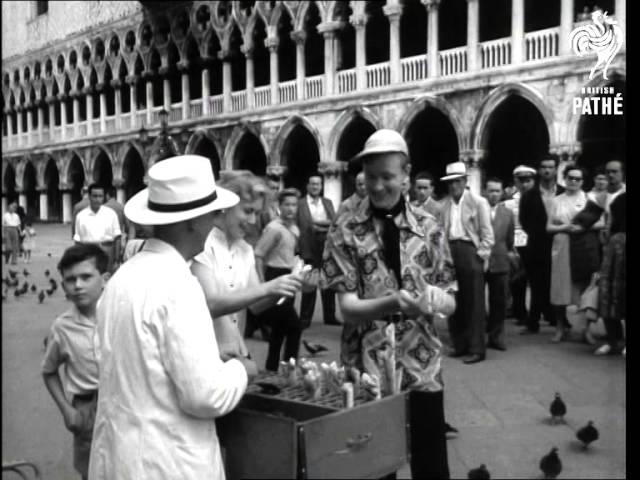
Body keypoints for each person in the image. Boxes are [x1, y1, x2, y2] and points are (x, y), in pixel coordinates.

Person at [89, 155, 257, 479]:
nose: (214, 222)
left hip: (116, 457)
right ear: (193, 220)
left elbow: (130, 363)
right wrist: (240, 370)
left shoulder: (121, 279)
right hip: (167, 462)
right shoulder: (179, 285)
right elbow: (205, 396)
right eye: (211, 214)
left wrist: (210, 359)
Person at [321, 129, 457, 479]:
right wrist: (392, 303)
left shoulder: (429, 227)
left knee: (431, 463)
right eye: (371, 177)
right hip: (366, 365)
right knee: (375, 466)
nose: (378, 186)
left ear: (406, 176)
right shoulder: (346, 226)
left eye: (388, 177)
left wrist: (439, 301)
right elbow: (346, 308)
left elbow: (450, 298)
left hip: (422, 362)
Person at [191, 172, 304, 360]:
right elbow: (211, 304)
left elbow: (255, 306)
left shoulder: (245, 249)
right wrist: (269, 287)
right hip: (202, 355)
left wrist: (285, 286)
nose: (253, 221)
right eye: (248, 211)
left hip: (236, 353)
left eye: (257, 214)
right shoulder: (201, 245)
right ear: (226, 206)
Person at [42, 244, 110, 480]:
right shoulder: (62, 328)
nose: (78, 285)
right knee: (90, 471)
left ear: (105, 279)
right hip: (86, 409)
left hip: (123, 402)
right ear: (63, 287)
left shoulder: (120, 314)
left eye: (86, 277)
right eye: (71, 280)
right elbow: (49, 372)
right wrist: (66, 410)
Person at [440, 162, 494, 364]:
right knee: (455, 302)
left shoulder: (478, 202)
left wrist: (480, 256)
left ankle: (476, 348)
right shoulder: (444, 204)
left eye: (457, 181)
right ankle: (459, 344)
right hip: (450, 251)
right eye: (450, 182)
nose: (454, 186)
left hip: (469, 250)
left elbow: (488, 234)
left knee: (474, 303)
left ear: (464, 181)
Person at [255, 188, 312, 371]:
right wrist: (263, 284)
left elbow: (290, 253)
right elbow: (258, 255)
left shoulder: (294, 228)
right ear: (279, 207)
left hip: (289, 276)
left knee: (280, 330)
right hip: (274, 275)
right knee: (294, 326)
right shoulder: (274, 228)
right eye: (286, 204)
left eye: (294, 205)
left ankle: (273, 369)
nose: (290, 209)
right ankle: (289, 367)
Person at [546, 165, 597, 343]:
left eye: (577, 179)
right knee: (560, 287)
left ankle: (586, 330)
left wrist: (583, 227)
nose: (573, 181)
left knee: (584, 289)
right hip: (562, 246)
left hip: (582, 245)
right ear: (565, 178)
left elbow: (601, 222)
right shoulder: (556, 200)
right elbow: (549, 227)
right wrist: (565, 227)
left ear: (583, 182)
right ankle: (560, 327)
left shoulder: (589, 199)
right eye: (570, 178)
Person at [519, 158, 565, 334]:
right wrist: (538, 233)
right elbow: (524, 220)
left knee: (558, 280)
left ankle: (557, 317)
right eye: (544, 167)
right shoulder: (529, 195)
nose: (547, 170)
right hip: (537, 243)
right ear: (539, 170)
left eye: (550, 167)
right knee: (537, 282)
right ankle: (534, 320)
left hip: (560, 242)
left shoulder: (562, 192)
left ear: (555, 170)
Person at [297, 174, 339, 326]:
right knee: (309, 283)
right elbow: (297, 225)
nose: (315, 187)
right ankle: (305, 318)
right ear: (308, 186)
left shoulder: (327, 202)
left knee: (328, 283)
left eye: (318, 184)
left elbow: (334, 222)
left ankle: (330, 316)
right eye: (312, 184)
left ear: (321, 186)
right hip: (309, 246)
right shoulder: (300, 204)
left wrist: (325, 224)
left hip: (326, 246)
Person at [595, 160, 626, 356]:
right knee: (607, 292)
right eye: (608, 172)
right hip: (610, 248)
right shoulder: (601, 197)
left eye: (615, 172)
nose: (611, 175)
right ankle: (613, 340)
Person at [504, 165, 537, 326]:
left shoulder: (538, 199)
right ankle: (519, 311)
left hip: (533, 242)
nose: (524, 184)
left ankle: (536, 313)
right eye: (520, 180)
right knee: (517, 280)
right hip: (516, 243)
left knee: (535, 279)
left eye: (528, 180)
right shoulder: (510, 203)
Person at [484, 178, 515, 351]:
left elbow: (510, 239)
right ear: (484, 191)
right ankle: (479, 333)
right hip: (480, 261)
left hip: (500, 260)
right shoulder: (477, 211)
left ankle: (496, 336)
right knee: (477, 301)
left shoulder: (508, 213)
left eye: (497, 191)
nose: (494, 194)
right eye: (491, 191)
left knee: (499, 301)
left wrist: (508, 254)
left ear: (502, 192)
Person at [74, 184, 122, 273]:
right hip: (87, 254)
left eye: (100, 196)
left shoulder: (111, 214)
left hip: (107, 252)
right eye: (94, 196)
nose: (97, 199)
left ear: (104, 197)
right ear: (89, 197)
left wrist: (117, 260)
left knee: (106, 280)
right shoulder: (81, 216)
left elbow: (117, 238)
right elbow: (78, 241)